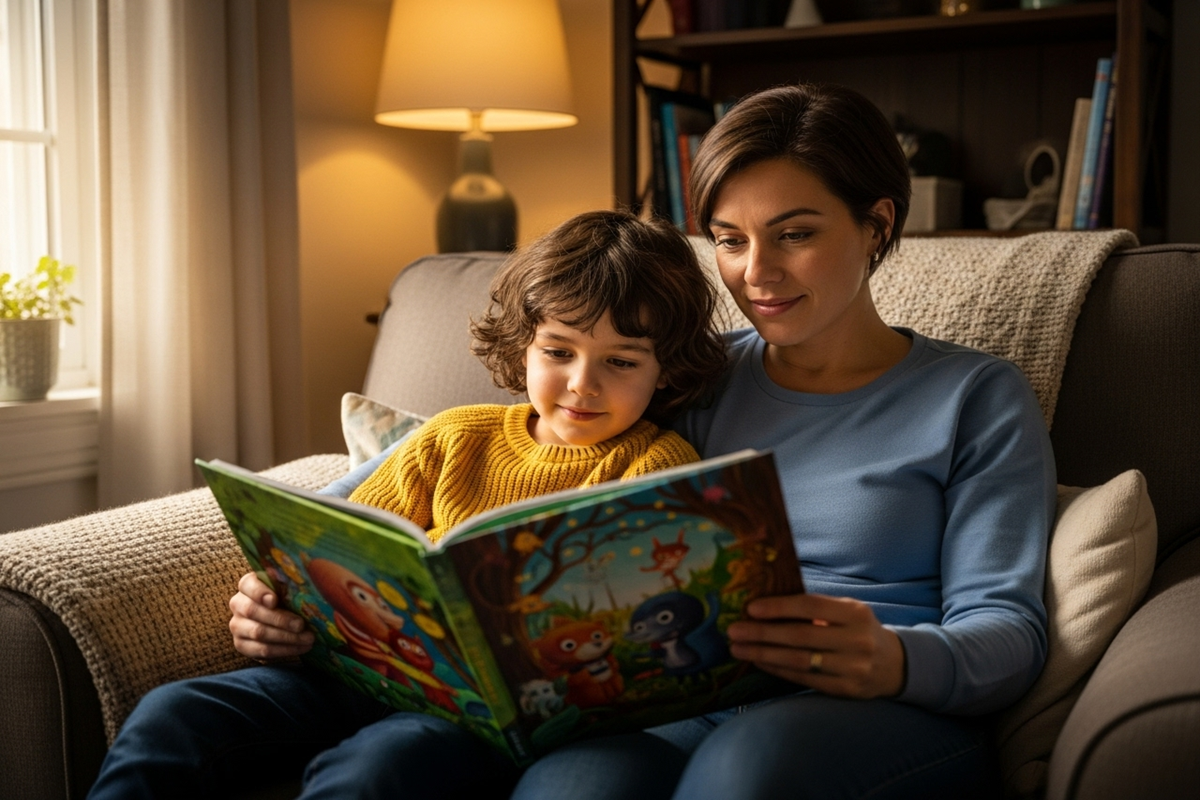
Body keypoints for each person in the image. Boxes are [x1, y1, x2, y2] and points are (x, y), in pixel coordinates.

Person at [508, 83, 1056, 799]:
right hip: (691, 697)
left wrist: (893, 658)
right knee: (572, 782)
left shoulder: (975, 397)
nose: (755, 274)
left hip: (880, 709)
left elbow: (1010, 631)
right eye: (730, 240)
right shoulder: (694, 375)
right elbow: (536, 446)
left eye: (794, 234)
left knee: (749, 767)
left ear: (877, 225)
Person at [85, 210, 728, 799]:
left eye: (620, 361)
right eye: (558, 351)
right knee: (172, 715)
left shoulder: (654, 468)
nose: (582, 383)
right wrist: (276, 597)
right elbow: (338, 544)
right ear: (523, 345)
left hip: (484, 716)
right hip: (357, 672)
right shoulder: (454, 438)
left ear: (665, 369)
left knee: (378, 768)